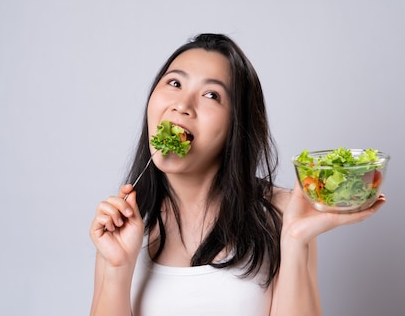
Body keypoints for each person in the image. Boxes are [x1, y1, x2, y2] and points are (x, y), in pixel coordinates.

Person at [89, 33, 385, 316]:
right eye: (175, 83)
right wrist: (116, 268)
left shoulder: (281, 213)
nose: (183, 105)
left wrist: (294, 239)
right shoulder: (122, 225)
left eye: (211, 94)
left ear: (236, 124)